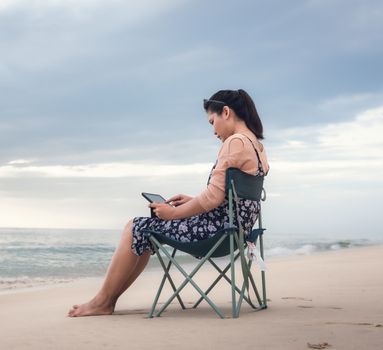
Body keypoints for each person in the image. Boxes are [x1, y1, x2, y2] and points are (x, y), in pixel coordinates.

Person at [68, 89, 269, 317]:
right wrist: (191, 201)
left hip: (214, 234)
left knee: (135, 226)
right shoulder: (256, 145)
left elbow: (213, 197)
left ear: (226, 112)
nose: (213, 131)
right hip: (236, 233)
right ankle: (107, 300)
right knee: (142, 232)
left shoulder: (235, 142)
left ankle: (103, 301)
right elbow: (228, 198)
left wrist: (173, 214)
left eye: (212, 122)